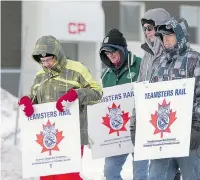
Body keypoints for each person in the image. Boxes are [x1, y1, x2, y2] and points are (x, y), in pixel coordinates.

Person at [18, 35, 103, 180]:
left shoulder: (77, 69)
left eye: (49, 59)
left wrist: (76, 95)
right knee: (47, 177)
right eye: (42, 61)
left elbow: (97, 93)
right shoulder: (40, 75)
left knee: (67, 176)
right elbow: (34, 98)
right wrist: (27, 102)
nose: (46, 64)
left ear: (57, 54)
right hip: (48, 137)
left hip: (72, 135)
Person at [146, 17, 200, 180]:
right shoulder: (159, 63)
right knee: (157, 177)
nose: (165, 39)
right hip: (163, 135)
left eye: (170, 35)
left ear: (180, 36)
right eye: (163, 36)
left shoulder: (197, 60)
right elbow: (150, 99)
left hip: (189, 135)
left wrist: (196, 127)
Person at [129, 8, 182, 180]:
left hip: (171, 120)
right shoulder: (147, 55)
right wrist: (134, 121)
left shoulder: (175, 53)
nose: (147, 32)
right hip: (152, 123)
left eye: (150, 28)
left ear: (160, 28)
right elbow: (140, 89)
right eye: (144, 28)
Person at [99, 28, 149, 180]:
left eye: (113, 50)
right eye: (107, 52)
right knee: (110, 172)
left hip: (139, 128)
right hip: (118, 131)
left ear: (123, 49)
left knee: (140, 175)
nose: (111, 55)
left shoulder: (141, 65)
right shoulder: (106, 76)